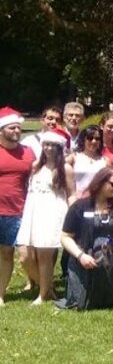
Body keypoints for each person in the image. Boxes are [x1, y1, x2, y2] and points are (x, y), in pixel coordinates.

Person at [58, 168, 113, 310]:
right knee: (81, 304)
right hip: (84, 256)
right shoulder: (79, 206)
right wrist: (80, 255)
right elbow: (65, 237)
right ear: (100, 182)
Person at [16, 129, 73, 303]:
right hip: (33, 212)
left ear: (59, 148)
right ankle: (47, 288)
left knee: (44, 256)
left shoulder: (65, 168)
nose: (49, 148)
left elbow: (71, 194)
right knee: (24, 256)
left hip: (52, 213)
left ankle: (42, 294)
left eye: (53, 145)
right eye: (46, 144)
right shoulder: (35, 166)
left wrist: (72, 218)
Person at [0, 107, 36, 306]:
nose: (16, 131)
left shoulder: (28, 153)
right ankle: (1, 295)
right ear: (1, 130)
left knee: (23, 255)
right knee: (4, 254)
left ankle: (43, 286)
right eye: (12, 128)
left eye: (18, 128)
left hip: (18, 211)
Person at [72, 125, 107, 200]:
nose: (94, 141)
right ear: (83, 139)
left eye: (97, 139)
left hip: (99, 199)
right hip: (78, 200)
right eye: (90, 138)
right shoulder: (74, 158)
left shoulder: (105, 161)